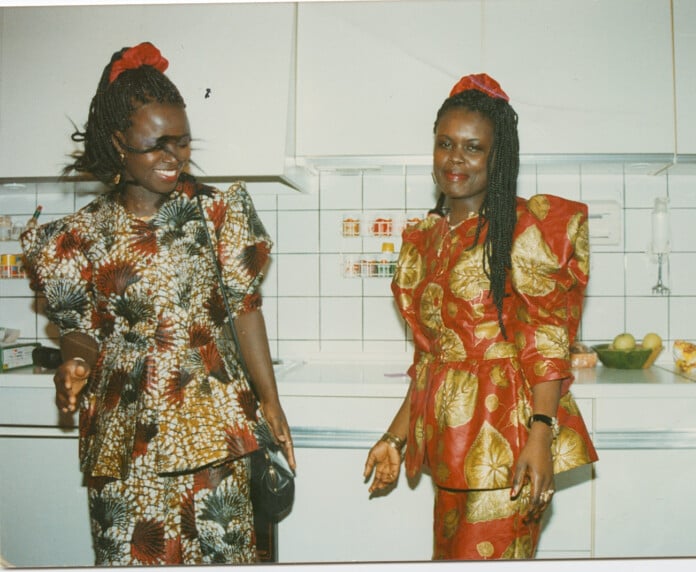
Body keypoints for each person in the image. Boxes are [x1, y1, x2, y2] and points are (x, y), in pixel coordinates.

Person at [20, 42, 295, 566]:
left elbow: (245, 307)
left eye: (184, 142)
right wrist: (76, 360)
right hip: (126, 433)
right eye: (157, 144)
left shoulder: (216, 212)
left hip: (213, 421)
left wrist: (270, 399)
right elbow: (81, 326)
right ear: (119, 143)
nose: (175, 157)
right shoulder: (78, 236)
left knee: (220, 551)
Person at [363, 73, 598, 560]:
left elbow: (547, 344)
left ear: (498, 158)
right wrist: (395, 437)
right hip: (451, 449)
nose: (455, 158)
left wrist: (540, 437)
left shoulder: (524, 229)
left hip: (506, 443)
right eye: (445, 143)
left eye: (473, 147)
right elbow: (430, 360)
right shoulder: (425, 239)